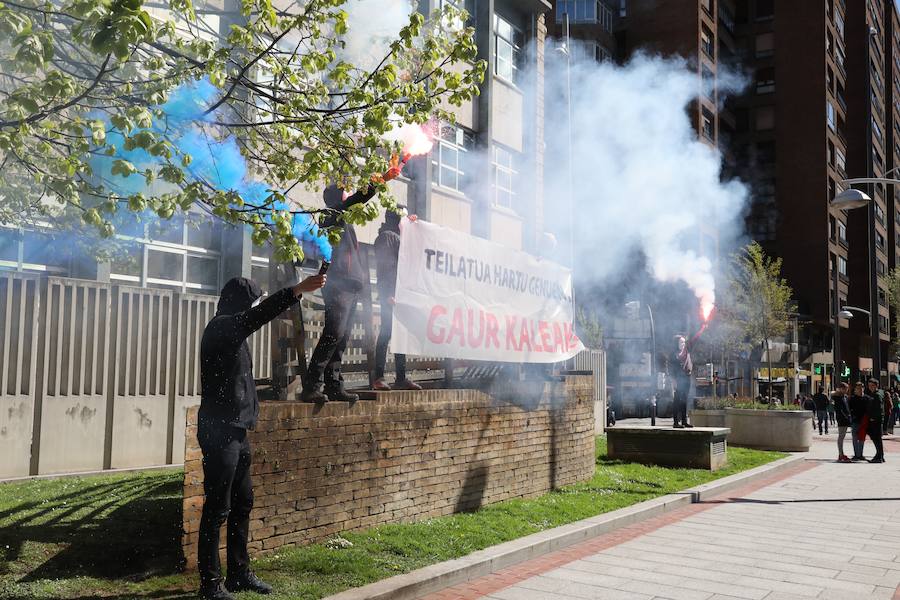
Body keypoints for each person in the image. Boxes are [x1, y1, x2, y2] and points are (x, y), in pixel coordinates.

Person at [197, 274, 326, 600]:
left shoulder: (234, 333)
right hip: (219, 432)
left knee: (243, 503)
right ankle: (210, 585)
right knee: (217, 509)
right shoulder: (223, 326)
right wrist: (296, 291)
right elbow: (258, 315)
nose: (253, 308)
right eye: (251, 302)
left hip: (238, 431)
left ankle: (239, 574)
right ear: (240, 303)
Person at [301, 161, 404, 403]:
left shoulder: (342, 218)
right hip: (339, 285)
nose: (349, 194)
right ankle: (312, 386)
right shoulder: (331, 214)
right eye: (346, 192)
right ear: (338, 198)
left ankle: (334, 385)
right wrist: (382, 180)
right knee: (333, 333)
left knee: (341, 337)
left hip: (350, 286)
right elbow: (358, 198)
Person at [372, 209, 422, 392]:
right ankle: (378, 377)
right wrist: (387, 293)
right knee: (386, 333)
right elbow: (386, 267)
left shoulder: (394, 236)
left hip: (398, 294)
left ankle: (400, 378)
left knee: (399, 334)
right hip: (391, 294)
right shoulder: (387, 237)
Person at [671, 321, 708, 429]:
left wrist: (702, 328)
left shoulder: (687, 349)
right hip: (678, 379)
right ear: (676, 343)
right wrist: (673, 381)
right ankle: (675, 422)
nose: (683, 344)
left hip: (687, 377)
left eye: (684, 342)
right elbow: (671, 369)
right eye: (681, 342)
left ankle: (684, 421)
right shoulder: (673, 355)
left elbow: (695, 339)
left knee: (685, 399)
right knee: (677, 400)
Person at [864, 378, 886, 463]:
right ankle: (879, 455)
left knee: (877, 438)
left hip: (876, 420)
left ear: (876, 386)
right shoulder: (876, 393)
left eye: (872, 386)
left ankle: (879, 456)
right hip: (875, 419)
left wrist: (874, 417)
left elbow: (879, 408)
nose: (870, 387)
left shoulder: (877, 395)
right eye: (869, 386)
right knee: (876, 438)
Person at [848, 382, 868, 461]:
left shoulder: (867, 398)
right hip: (855, 421)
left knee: (862, 438)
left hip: (864, 421)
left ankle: (861, 454)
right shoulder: (852, 399)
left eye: (861, 388)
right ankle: (857, 454)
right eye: (858, 388)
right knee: (855, 438)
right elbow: (849, 409)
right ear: (855, 390)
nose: (860, 389)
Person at [833, 383, 852, 463]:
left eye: (847, 389)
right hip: (841, 419)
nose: (846, 390)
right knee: (841, 437)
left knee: (842, 436)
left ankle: (841, 454)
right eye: (845, 389)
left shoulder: (844, 397)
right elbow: (839, 410)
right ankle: (840, 454)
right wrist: (846, 417)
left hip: (846, 418)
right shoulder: (838, 398)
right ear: (840, 388)